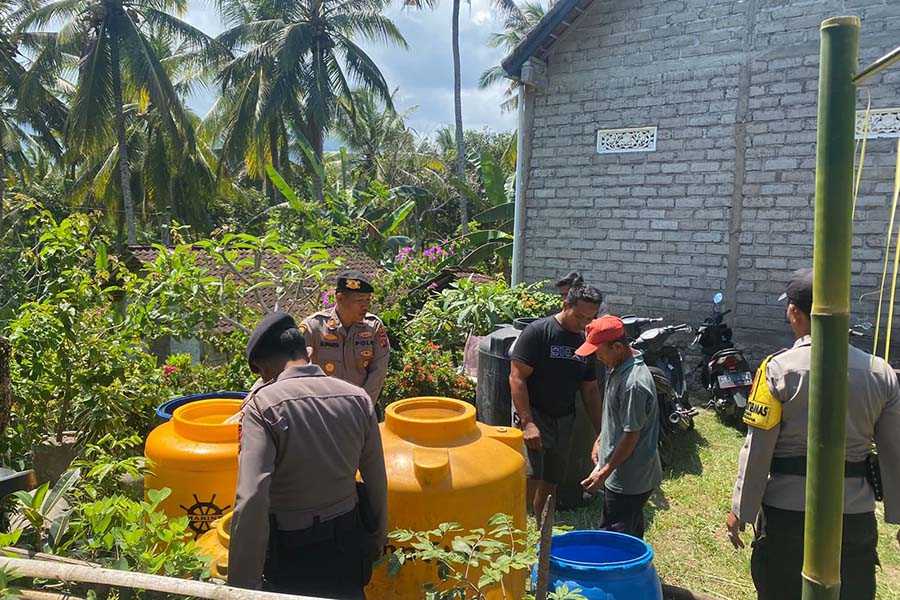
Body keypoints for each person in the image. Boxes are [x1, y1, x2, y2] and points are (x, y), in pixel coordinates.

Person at [726, 268, 900, 600]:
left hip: (787, 514)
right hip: (853, 514)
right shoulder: (881, 372)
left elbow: (758, 450)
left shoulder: (778, 369)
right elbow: (895, 451)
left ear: (795, 313)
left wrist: (741, 510)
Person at [228, 311, 388, 599]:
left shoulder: (262, 407)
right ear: (307, 353)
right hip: (348, 540)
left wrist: (241, 586)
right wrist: (377, 537)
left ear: (264, 367)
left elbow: (251, 497)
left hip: (294, 549)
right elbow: (376, 478)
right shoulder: (358, 398)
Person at [509, 286, 604, 518]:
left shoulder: (585, 341)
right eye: (579, 316)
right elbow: (516, 377)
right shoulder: (538, 332)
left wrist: (602, 431)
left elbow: (590, 389)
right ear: (565, 306)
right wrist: (527, 423)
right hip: (534, 413)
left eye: (590, 318)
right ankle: (518, 526)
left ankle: (542, 526)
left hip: (564, 418)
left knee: (552, 479)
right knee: (531, 476)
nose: (584, 322)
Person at [578, 315, 662, 539]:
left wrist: (604, 473)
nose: (596, 357)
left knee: (613, 538)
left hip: (629, 477)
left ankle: (620, 574)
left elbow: (631, 436)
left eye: (598, 351)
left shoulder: (633, 384)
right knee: (631, 530)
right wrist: (600, 438)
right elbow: (616, 417)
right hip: (622, 472)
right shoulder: (620, 365)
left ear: (617, 347)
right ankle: (638, 570)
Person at [303, 270, 391, 411]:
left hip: (362, 409)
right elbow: (298, 370)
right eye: (359, 300)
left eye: (368, 300)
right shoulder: (314, 327)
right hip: (323, 411)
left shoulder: (373, 327)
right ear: (340, 298)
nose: (365, 306)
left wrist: (361, 407)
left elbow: (378, 372)